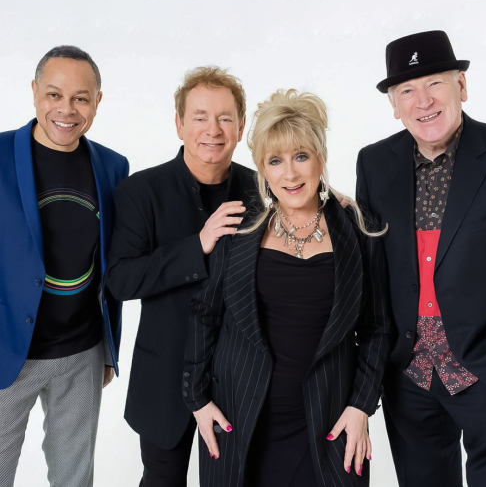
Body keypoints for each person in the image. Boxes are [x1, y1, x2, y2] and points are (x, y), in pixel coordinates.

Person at [183, 89, 391, 487]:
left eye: (301, 156)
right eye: (275, 161)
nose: (290, 175)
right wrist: (198, 400)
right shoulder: (239, 229)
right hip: (240, 418)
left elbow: (377, 329)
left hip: (330, 419)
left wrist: (361, 406)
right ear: (262, 169)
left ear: (320, 158)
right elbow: (205, 314)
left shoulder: (358, 230)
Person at [356, 29, 486, 487]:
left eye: (435, 83)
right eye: (407, 91)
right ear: (394, 105)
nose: (424, 101)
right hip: (410, 376)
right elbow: (371, 270)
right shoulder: (373, 164)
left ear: (462, 85)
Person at [105, 66, 256, 487]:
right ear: (179, 124)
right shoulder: (140, 191)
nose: (213, 130)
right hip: (164, 377)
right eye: (200, 117)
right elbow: (121, 280)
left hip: (238, 377)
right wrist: (198, 245)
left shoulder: (262, 189)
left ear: (241, 126)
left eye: (225, 118)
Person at [0, 46, 129, 487]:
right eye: (54, 94)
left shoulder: (113, 167)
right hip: (8, 352)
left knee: (74, 479)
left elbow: (113, 260)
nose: (66, 110)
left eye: (81, 98)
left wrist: (108, 348)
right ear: (35, 92)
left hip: (81, 351)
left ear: (97, 101)